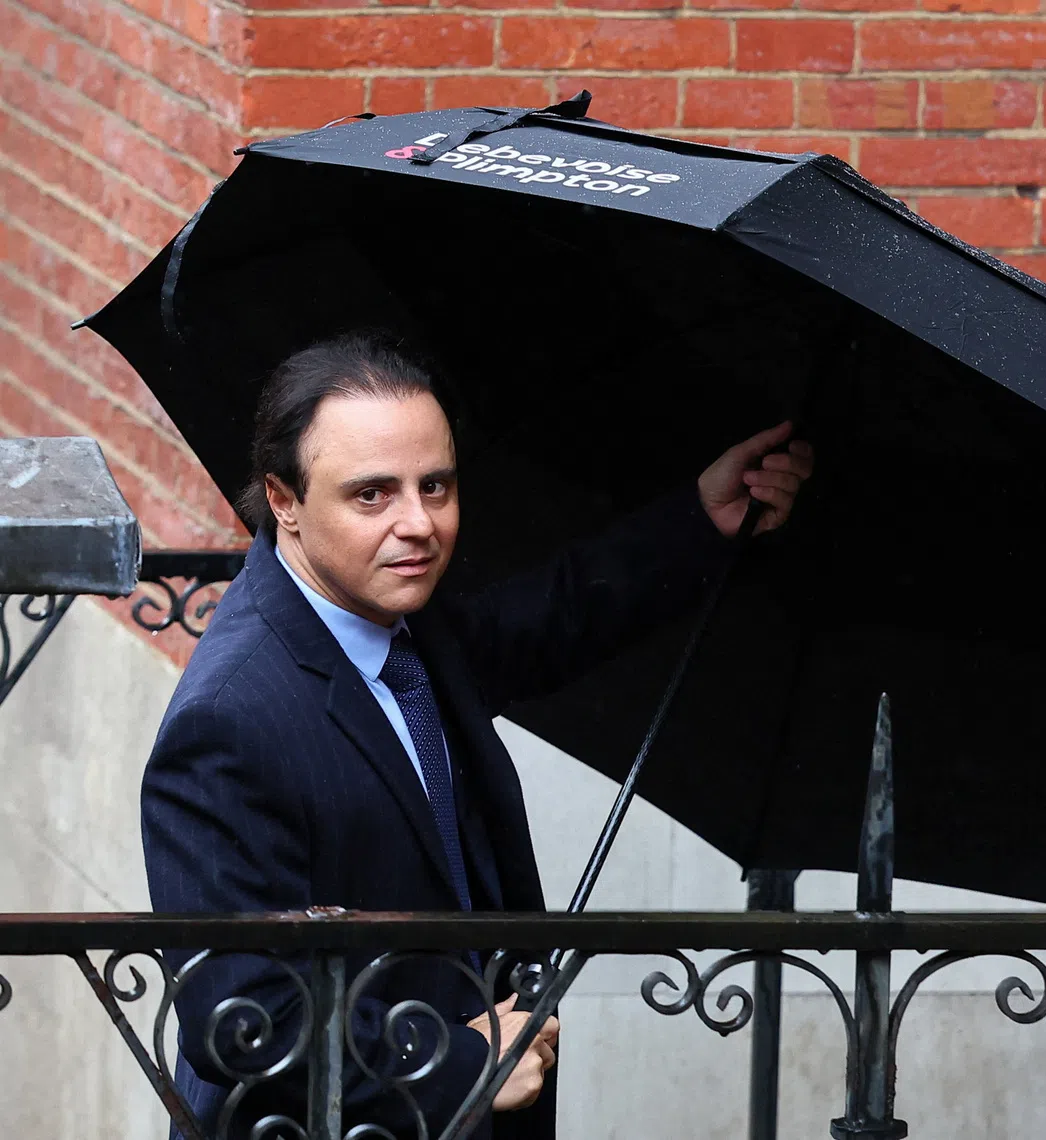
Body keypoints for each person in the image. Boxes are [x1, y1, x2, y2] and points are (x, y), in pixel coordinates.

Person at [141, 332, 814, 1140]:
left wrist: (703, 521)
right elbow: (243, 1020)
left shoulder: (404, 623)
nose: (418, 524)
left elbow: (550, 618)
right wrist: (460, 1063)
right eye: (372, 495)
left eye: (436, 486)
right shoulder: (227, 723)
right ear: (283, 500)